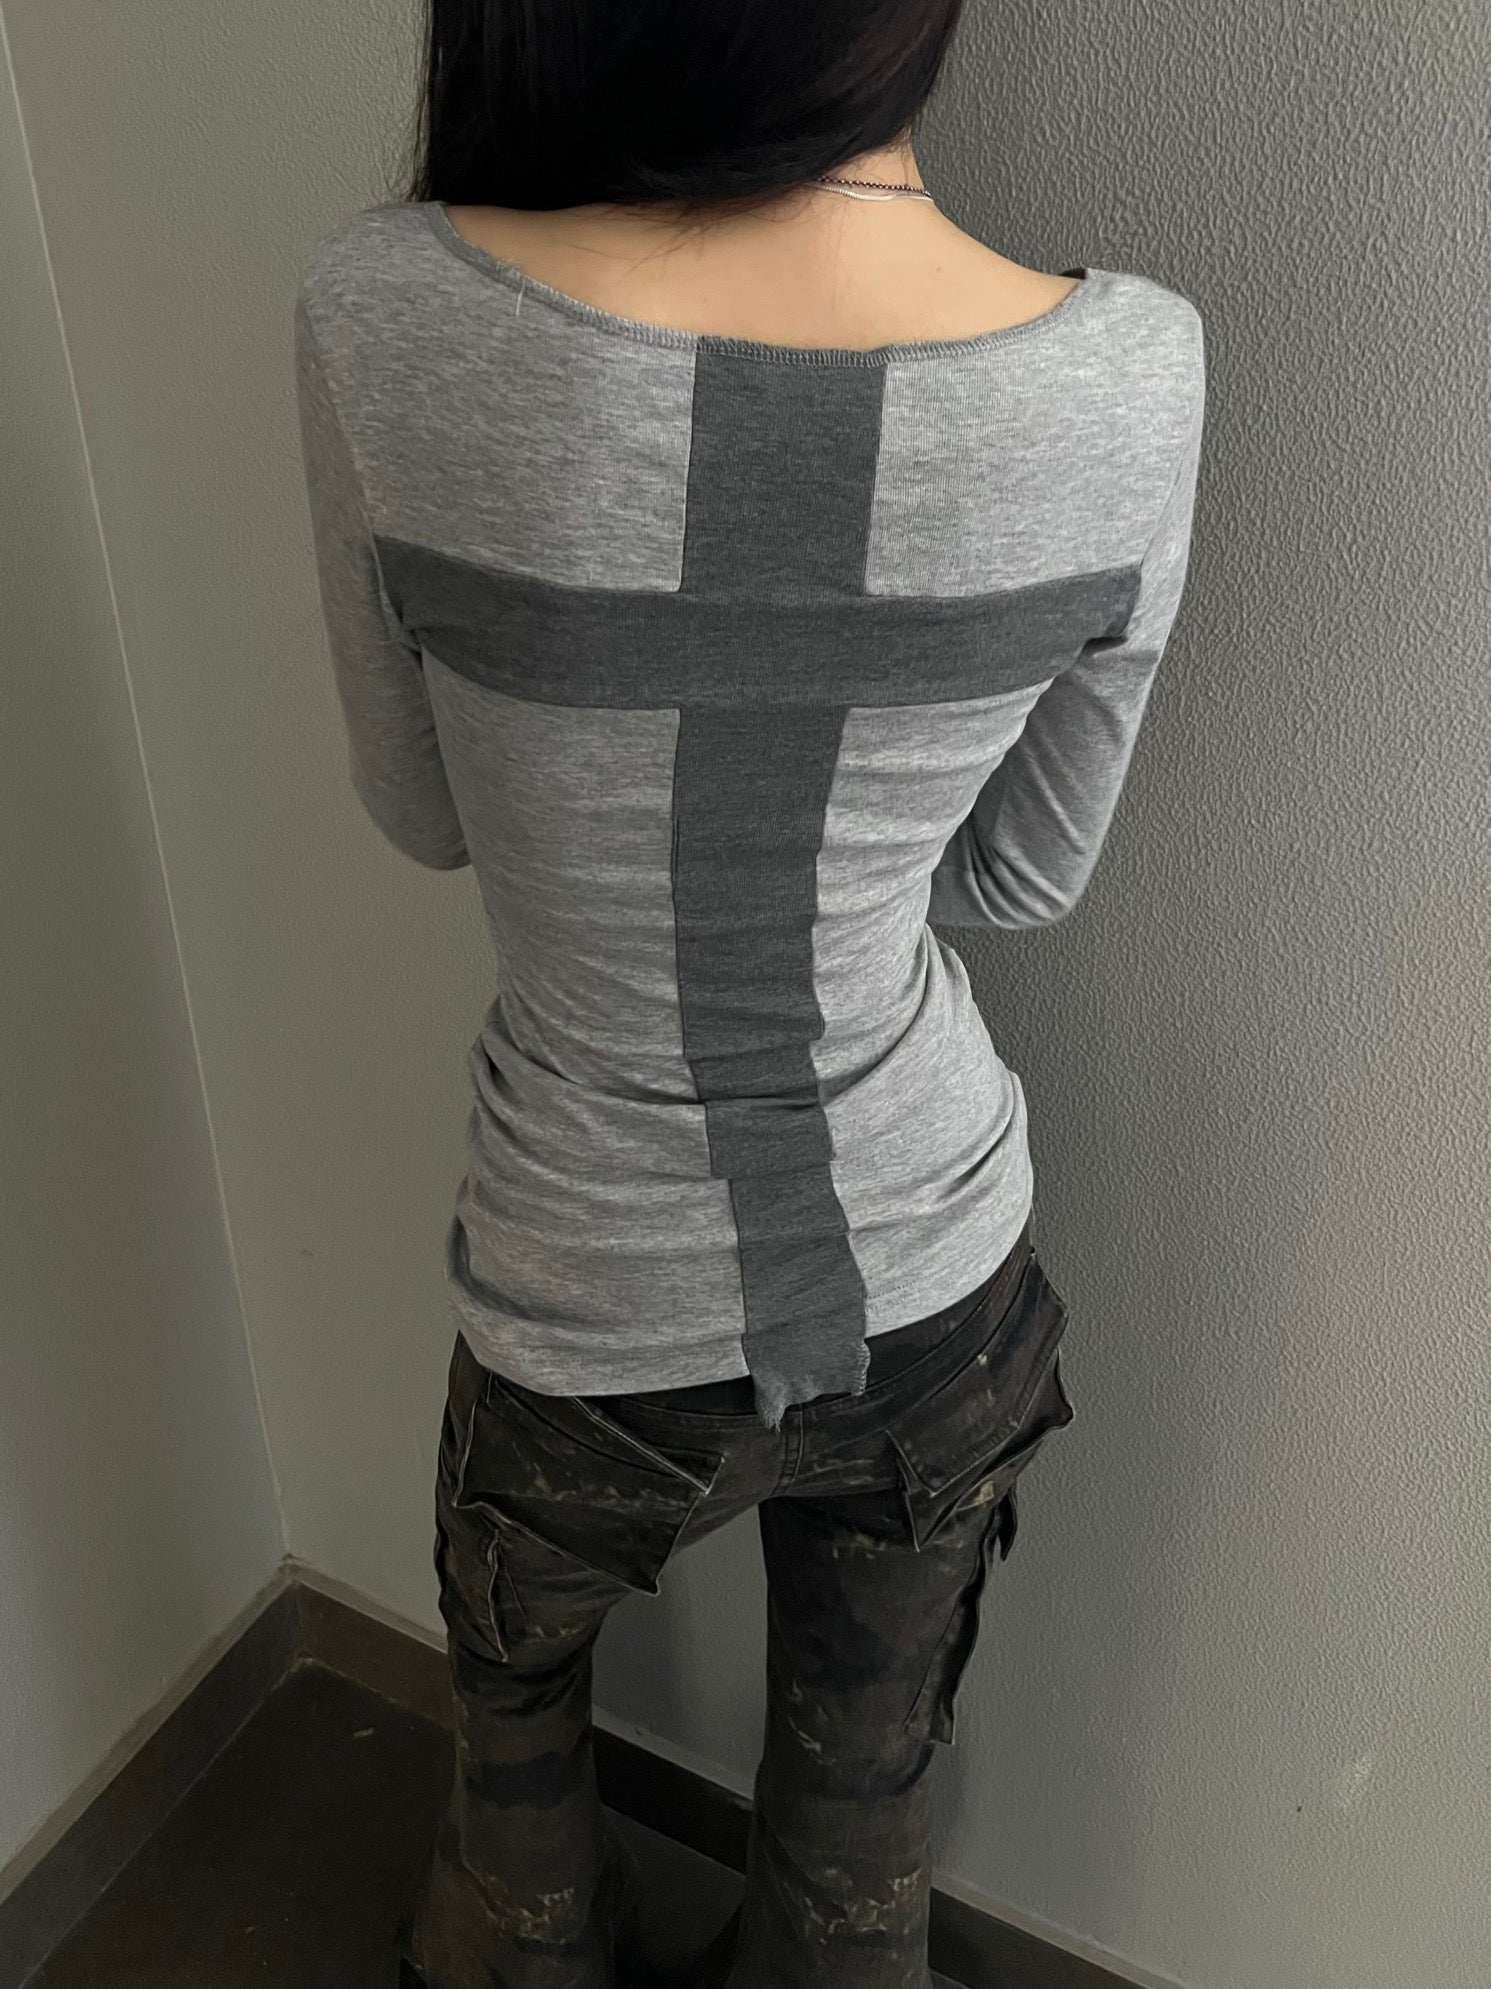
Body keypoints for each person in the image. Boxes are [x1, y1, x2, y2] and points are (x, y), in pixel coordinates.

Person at [292, 2, 1206, 1983]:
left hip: (579, 1295)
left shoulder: (386, 314)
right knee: (858, 1868)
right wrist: (834, 826)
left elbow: (421, 812)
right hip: (935, 1278)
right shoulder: (1132, 371)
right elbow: (1024, 876)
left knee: (516, 1869)